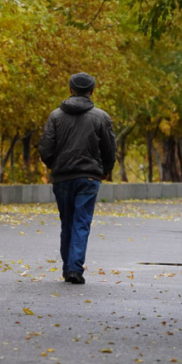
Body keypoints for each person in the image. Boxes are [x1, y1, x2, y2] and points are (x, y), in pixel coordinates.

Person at [39, 72, 116, 284]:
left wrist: (56, 166)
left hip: (63, 178)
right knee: (81, 222)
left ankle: (68, 268)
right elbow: (109, 149)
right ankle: (74, 269)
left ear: (71, 90)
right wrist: (104, 170)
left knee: (68, 222)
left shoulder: (55, 116)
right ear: (92, 91)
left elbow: (45, 148)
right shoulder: (101, 117)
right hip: (89, 177)